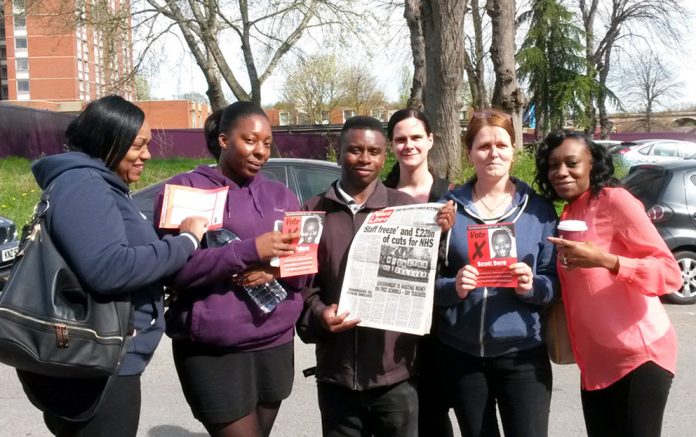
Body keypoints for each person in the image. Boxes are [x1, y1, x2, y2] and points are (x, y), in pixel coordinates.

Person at [20, 95, 208, 437]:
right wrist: (185, 243)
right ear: (107, 140)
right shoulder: (84, 186)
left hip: (100, 359)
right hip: (98, 363)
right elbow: (108, 268)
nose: (148, 155)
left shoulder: (98, 185)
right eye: (139, 145)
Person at [297, 116, 454, 437]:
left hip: (395, 377)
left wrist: (440, 236)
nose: (365, 158)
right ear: (338, 153)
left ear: (385, 156)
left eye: (374, 151)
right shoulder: (313, 211)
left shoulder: (407, 209)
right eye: (355, 150)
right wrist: (319, 315)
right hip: (336, 376)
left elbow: (427, 282)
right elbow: (302, 287)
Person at [155, 101, 304, 437]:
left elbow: (305, 268)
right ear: (224, 140)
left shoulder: (281, 195)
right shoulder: (189, 189)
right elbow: (175, 269)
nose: (261, 151)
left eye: (267, 143)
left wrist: (275, 271)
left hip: (275, 343)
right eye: (250, 140)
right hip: (215, 351)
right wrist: (251, 251)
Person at [535, 130, 681, 437]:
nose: (561, 172)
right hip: (595, 367)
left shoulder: (616, 201)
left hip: (638, 357)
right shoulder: (568, 212)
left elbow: (670, 273)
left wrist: (607, 260)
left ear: (592, 165)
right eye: (553, 165)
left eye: (571, 163)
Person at [435, 109, 558, 437]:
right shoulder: (447, 209)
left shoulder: (538, 210)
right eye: (483, 145)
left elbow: (553, 281)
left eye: (501, 145)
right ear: (469, 152)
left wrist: (532, 286)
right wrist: (453, 287)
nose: (493, 153)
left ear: (514, 150)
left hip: (522, 354)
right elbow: (426, 281)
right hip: (462, 355)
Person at [383, 107, 455, 436]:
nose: (408, 145)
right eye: (400, 139)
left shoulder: (452, 195)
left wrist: (451, 232)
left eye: (415, 137)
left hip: (439, 327)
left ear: (430, 140)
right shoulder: (377, 195)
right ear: (391, 145)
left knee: (435, 414)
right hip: (391, 325)